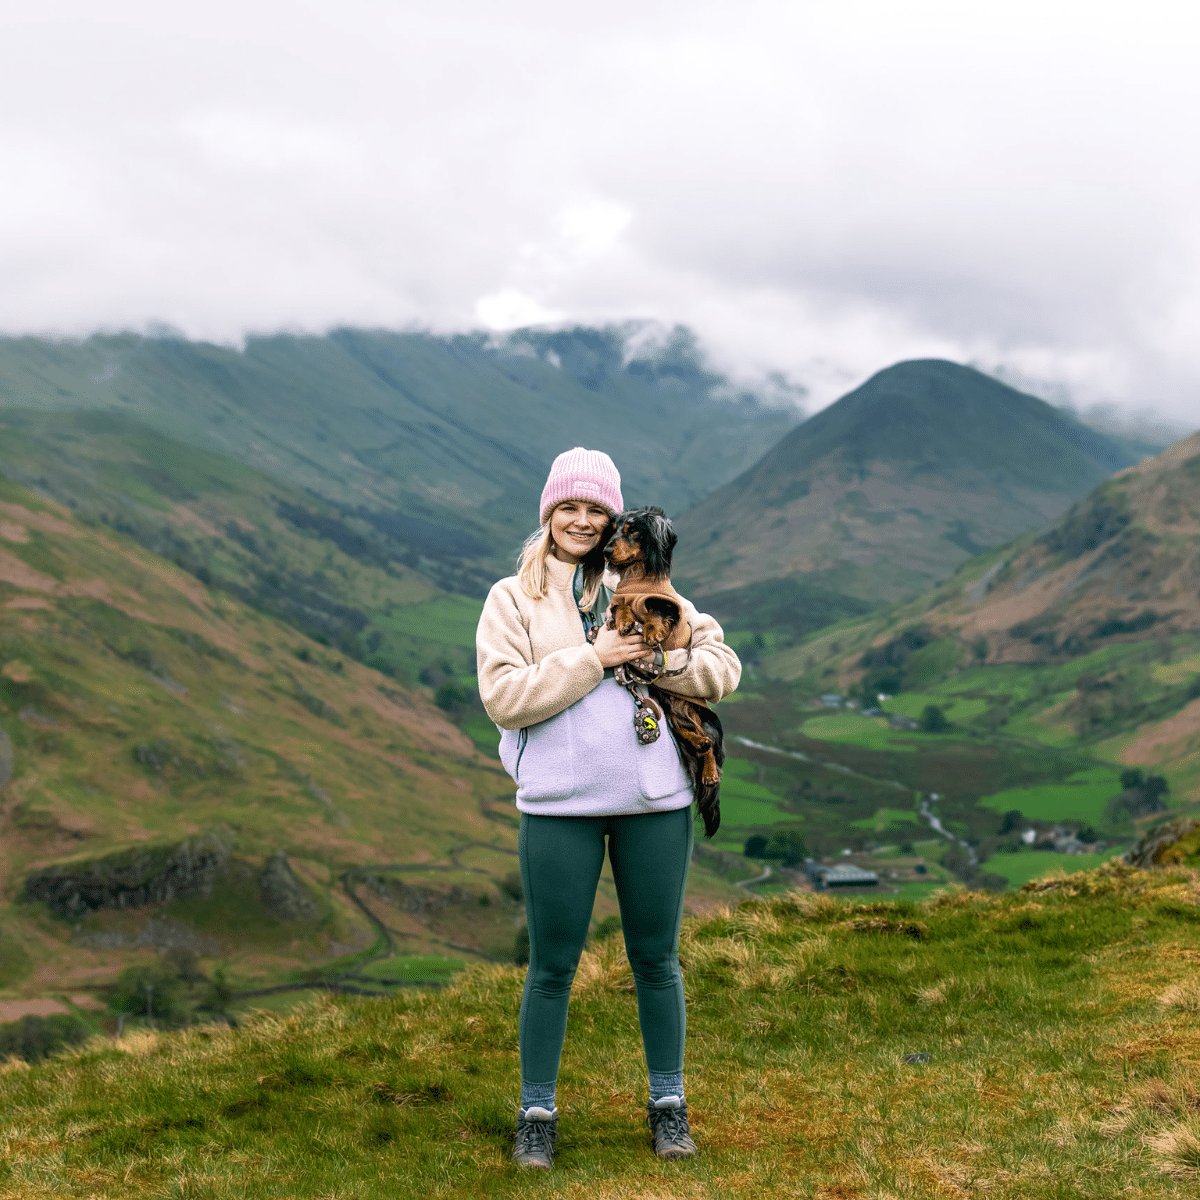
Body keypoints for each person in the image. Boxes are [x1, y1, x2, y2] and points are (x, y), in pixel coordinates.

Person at [475, 447, 741, 1169]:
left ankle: (669, 1106)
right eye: (570, 508)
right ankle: (537, 1114)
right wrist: (593, 658)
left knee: (656, 960)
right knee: (551, 967)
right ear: (549, 514)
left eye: (597, 510)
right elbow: (503, 697)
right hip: (559, 805)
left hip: (654, 801)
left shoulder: (650, 587)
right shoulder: (514, 598)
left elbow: (724, 667)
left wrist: (660, 663)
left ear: (614, 517)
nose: (583, 521)